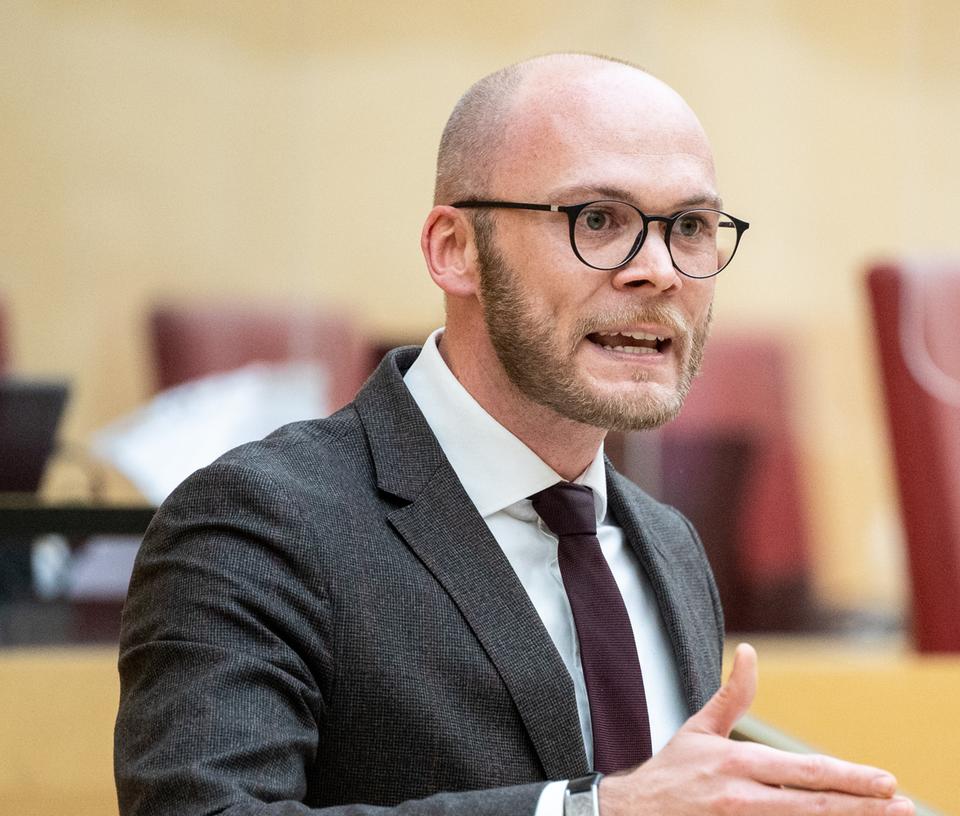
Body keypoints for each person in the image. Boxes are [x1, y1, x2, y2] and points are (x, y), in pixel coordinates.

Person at [114, 54, 914, 816]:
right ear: (454, 249)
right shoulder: (256, 523)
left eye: (692, 226)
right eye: (599, 219)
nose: (660, 270)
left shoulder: (667, 545)